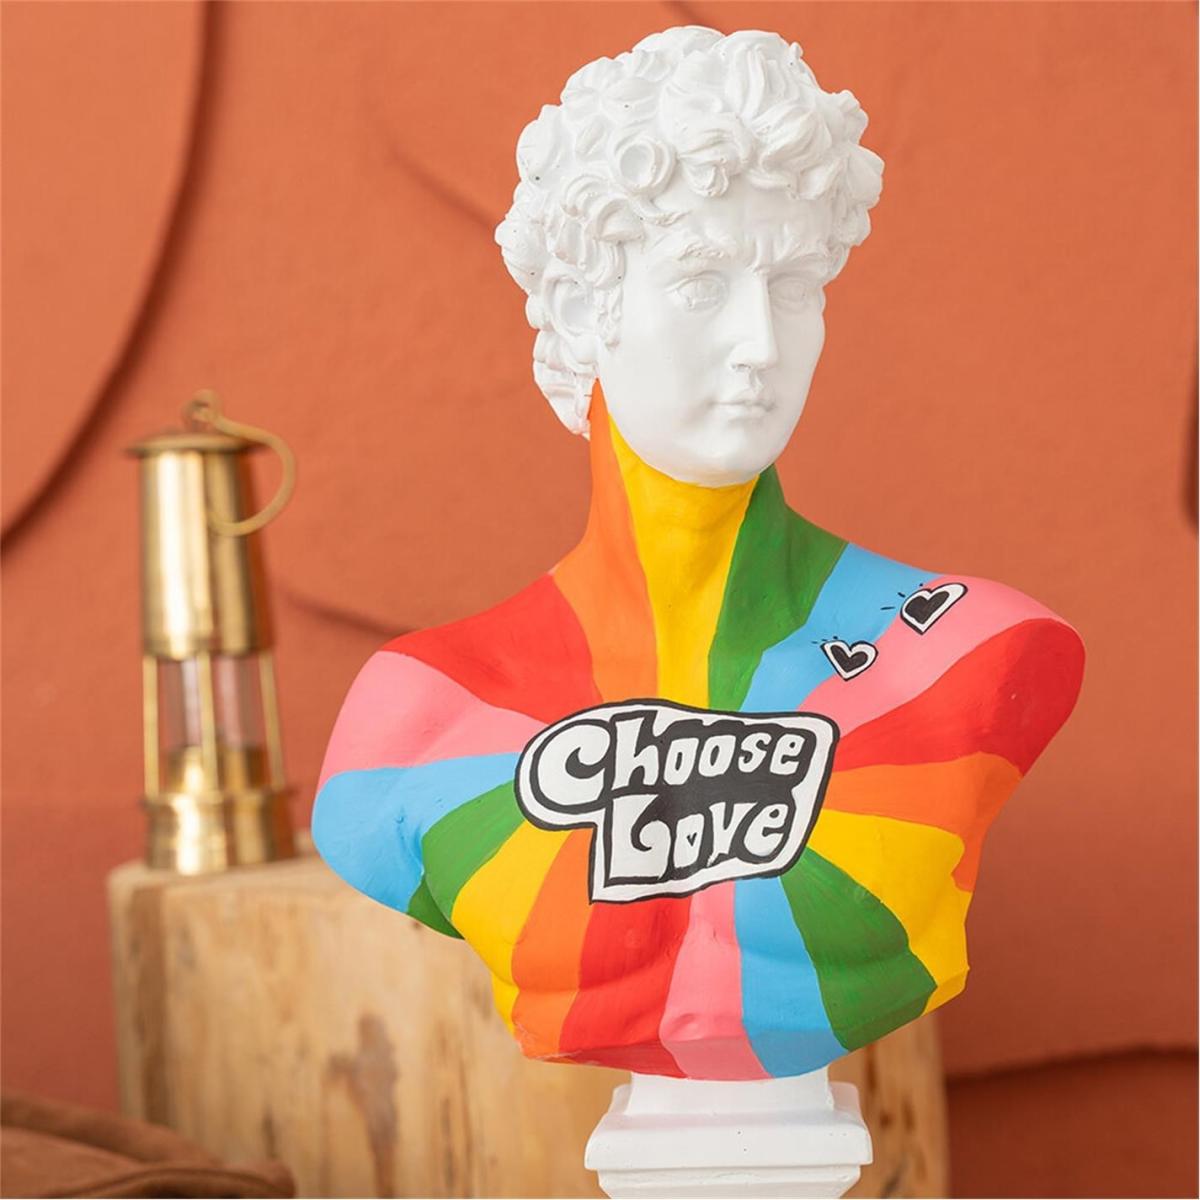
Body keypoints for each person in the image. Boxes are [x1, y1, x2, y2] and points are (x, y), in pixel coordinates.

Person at [313, 26, 1084, 1081]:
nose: (761, 344)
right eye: (700, 283)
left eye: (794, 287)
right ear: (584, 310)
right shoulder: (421, 721)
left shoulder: (971, 656)